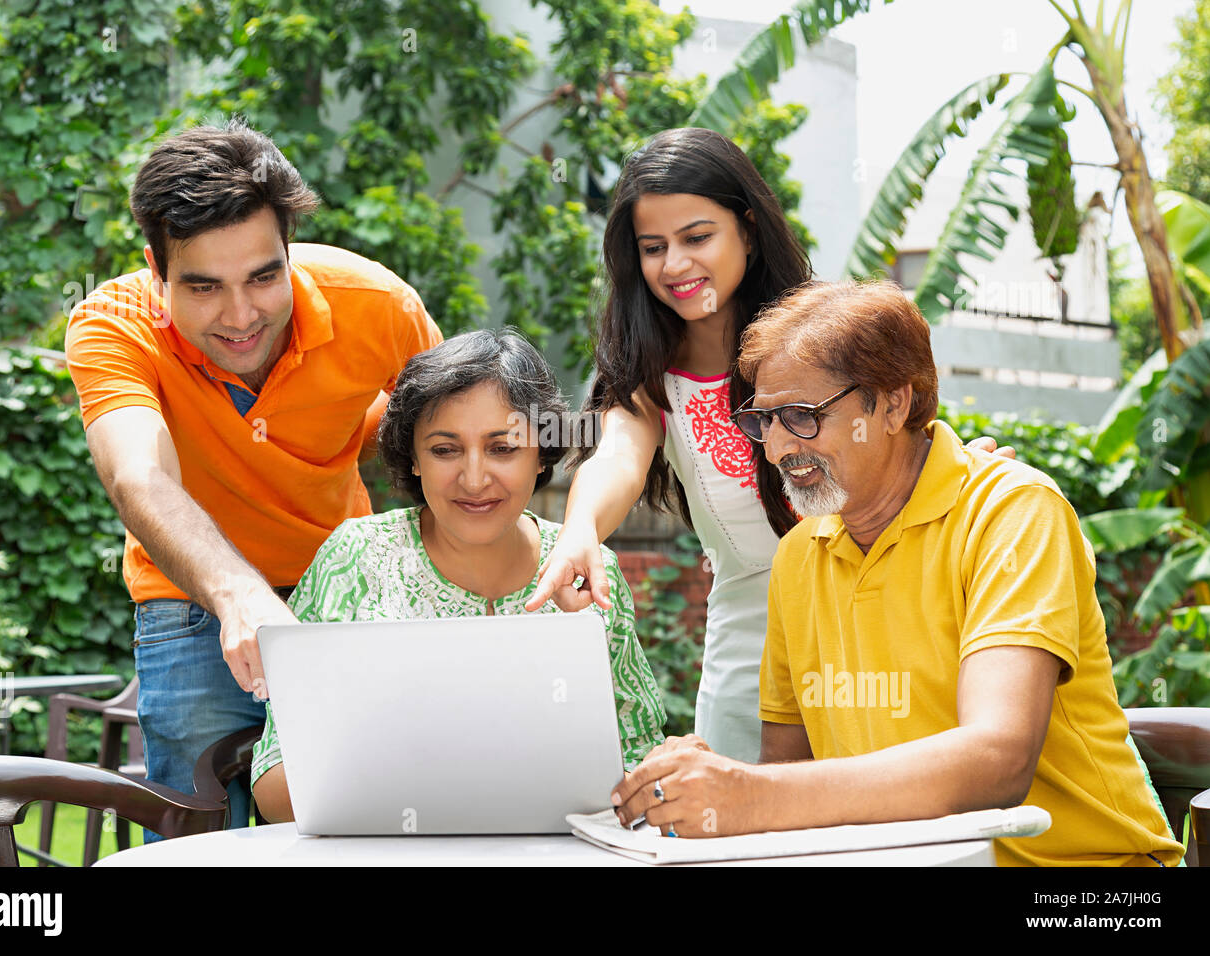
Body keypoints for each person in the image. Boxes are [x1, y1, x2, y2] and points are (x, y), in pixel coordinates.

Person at [610, 280, 1184, 867]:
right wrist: (712, 780)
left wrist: (749, 793)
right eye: (764, 420)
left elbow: (998, 761)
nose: (779, 448)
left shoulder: (1012, 514)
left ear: (893, 403)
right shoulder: (799, 556)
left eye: (801, 417)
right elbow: (789, 773)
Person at [527, 127, 1011, 762]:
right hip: (749, 659)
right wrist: (581, 529)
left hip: (883, 624)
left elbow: (900, 429)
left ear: (748, 230)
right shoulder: (650, 373)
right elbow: (617, 450)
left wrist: (964, 479)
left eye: (697, 237)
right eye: (653, 247)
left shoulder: (824, 337)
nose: (675, 264)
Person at [64, 119, 442, 838]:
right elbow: (139, 475)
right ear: (156, 271)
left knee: (371, 816)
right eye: (204, 287)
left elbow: (454, 439)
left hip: (343, 593)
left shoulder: (378, 306)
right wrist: (240, 596)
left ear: (289, 253)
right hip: (192, 603)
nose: (241, 317)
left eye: (265, 277)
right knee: (200, 829)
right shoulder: (112, 326)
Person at [251, 330, 666, 821]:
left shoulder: (586, 571)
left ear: (541, 455)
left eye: (503, 449)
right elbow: (277, 784)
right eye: (446, 450)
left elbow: (640, 760)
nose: (473, 479)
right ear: (413, 458)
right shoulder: (355, 560)